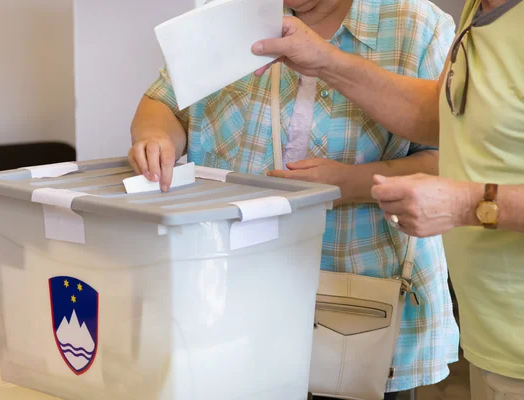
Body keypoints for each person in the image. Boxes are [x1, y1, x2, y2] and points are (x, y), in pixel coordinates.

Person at [130, 0, 460, 398]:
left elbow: (454, 159)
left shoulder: (417, 26)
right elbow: (165, 101)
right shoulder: (231, 13)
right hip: (230, 300)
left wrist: (352, 183)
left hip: (362, 305)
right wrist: (157, 138)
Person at [252, 0, 524, 399]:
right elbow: (442, 116)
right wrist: (327, 61)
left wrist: (464, 204)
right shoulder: (483, 9)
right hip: (495, 344)